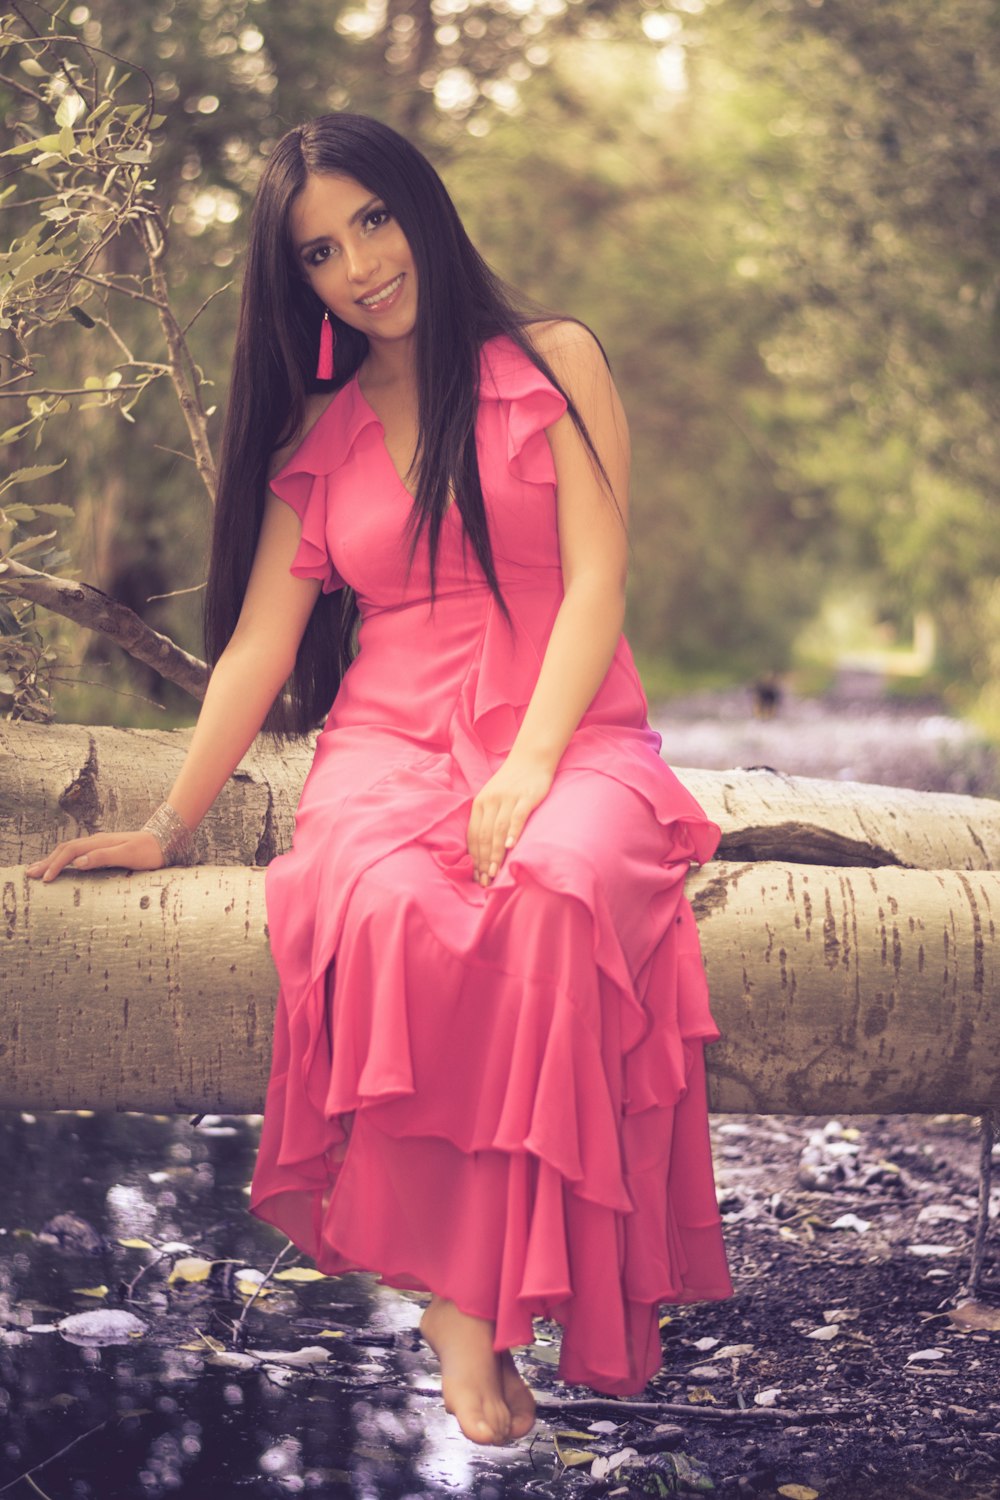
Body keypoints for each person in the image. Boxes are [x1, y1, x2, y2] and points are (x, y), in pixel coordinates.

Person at [25, 112, 735, 1447]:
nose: (358, 263)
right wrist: (168, 824)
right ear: (297, 284)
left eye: (374, 221)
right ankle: (468, 1306)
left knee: (564, 884)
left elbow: (598, 579)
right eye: (319, 250)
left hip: (568, 734)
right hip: (385, 752)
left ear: (422, 211)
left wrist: (530, 762)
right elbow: (257, 648)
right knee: (386, 911)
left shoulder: (555, 359)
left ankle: (488, 1294)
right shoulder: (325, 432)